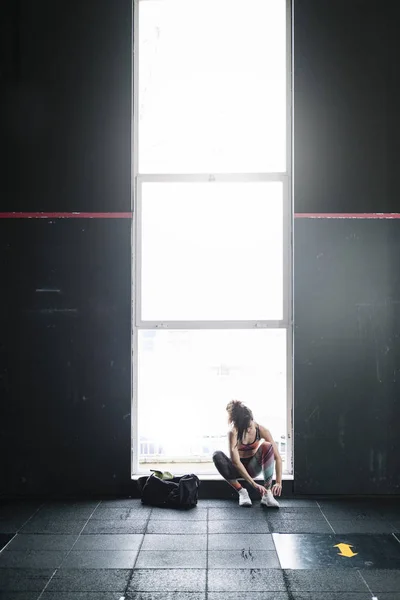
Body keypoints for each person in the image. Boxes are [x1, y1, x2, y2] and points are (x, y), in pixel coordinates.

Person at [212, 400, 282, 507]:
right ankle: (242, 492)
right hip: (236, 469)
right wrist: (254, 485)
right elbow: (236, 462)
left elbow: (278, 458)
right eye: (245, 428)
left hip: (252, 468)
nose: (249, 430)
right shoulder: (233, 432)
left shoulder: (262, 430)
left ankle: (267, 494)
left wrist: (278, 482)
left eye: (250, 426)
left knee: (268, 446)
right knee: (217, 455)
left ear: (252, 419)